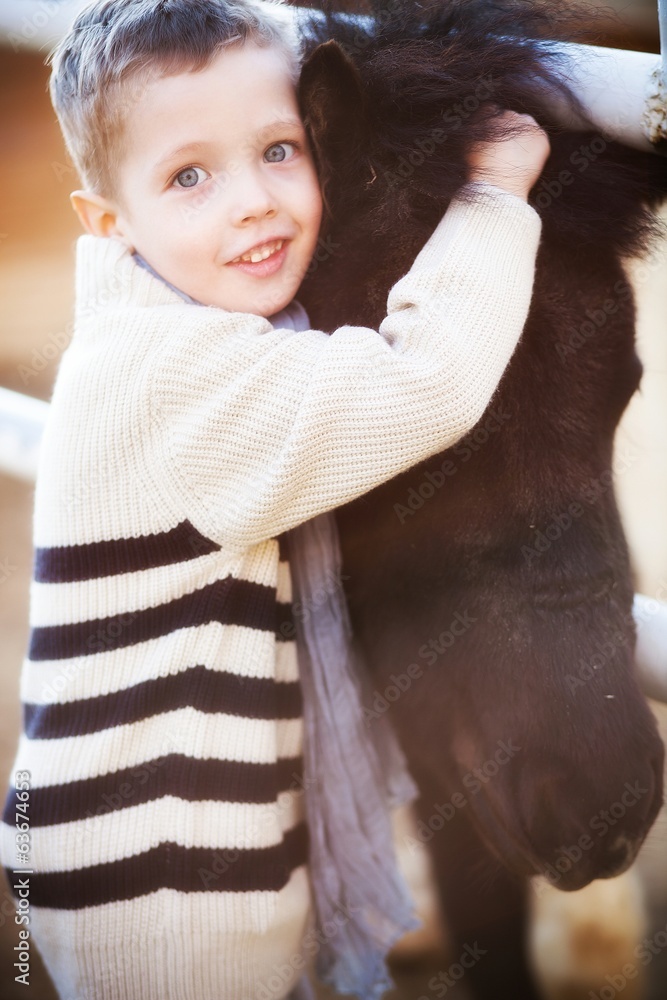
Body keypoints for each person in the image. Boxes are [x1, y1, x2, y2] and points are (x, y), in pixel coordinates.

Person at [0, 2, 662, 999]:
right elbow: (424, 385)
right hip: (171, 907)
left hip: (154, 864)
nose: (253, 204)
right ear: (108, 222)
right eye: (190, 176)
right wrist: (489, 192)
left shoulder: (152, 338)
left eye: (278, 150)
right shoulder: (183, 379)